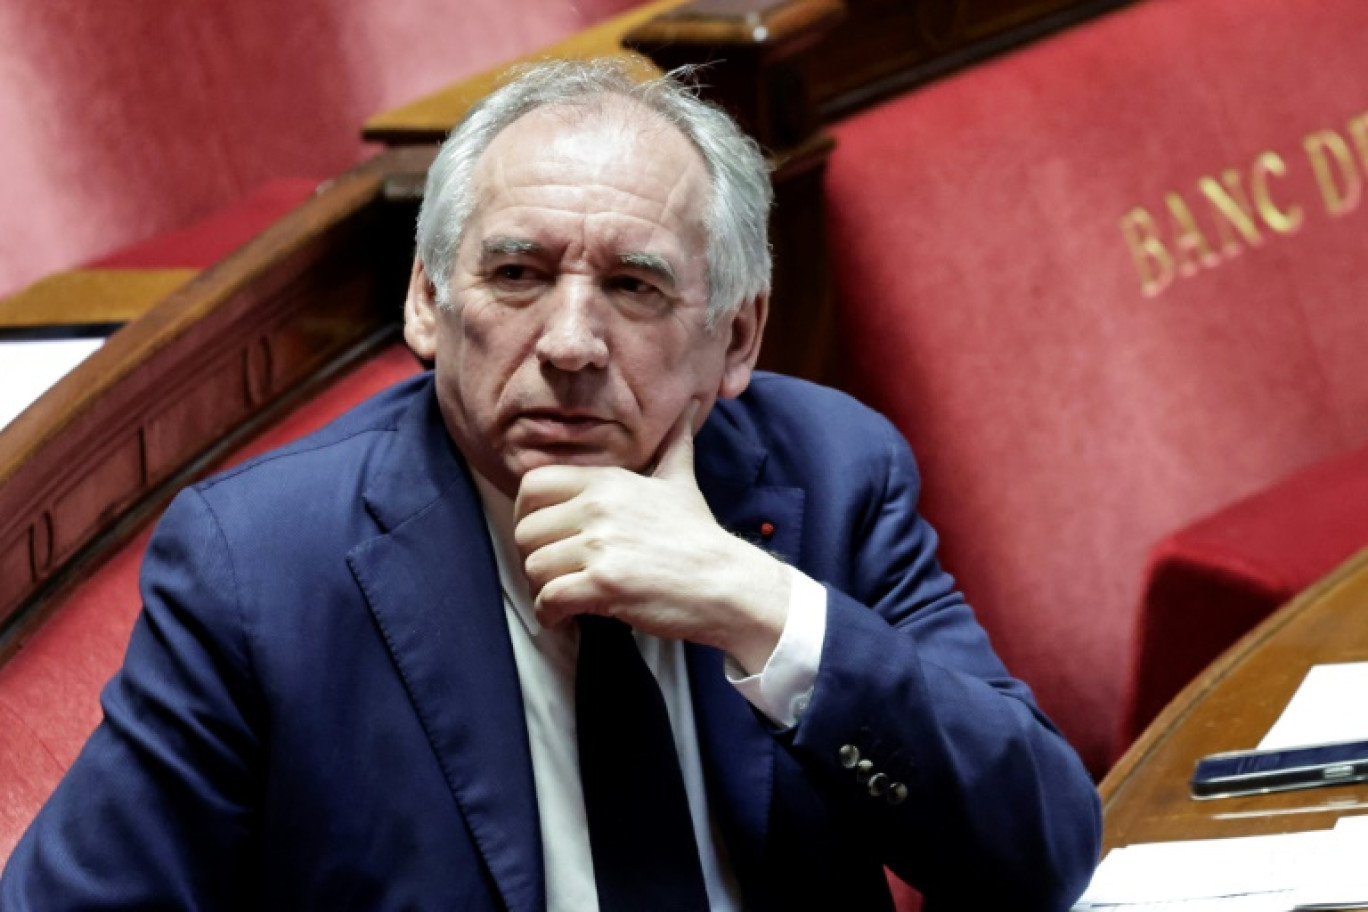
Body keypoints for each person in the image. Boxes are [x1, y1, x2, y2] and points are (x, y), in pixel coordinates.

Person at [0, 60, 1100, 910]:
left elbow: (1037, 850)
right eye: (518, 274)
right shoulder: (266, 570)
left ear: (736, 335)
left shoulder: (826, 474)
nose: (571, 342)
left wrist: (757, 607)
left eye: (634, 286)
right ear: (429, 304)